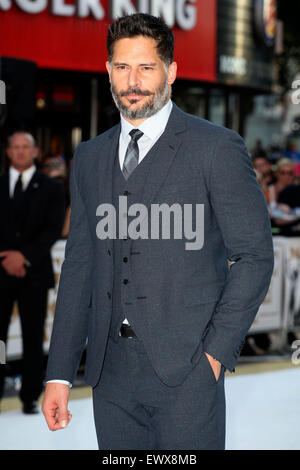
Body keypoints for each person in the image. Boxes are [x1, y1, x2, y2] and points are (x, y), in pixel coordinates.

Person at [42, 14, 274, 450]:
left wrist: (215, 355)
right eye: (122, 67)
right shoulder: (90, 157)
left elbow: (254, 256)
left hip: (188, 371)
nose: (133, 81)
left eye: (146, 67)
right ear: (108, 70)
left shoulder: (216, 148)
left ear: (171, 71)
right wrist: (59, 371)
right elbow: (79, 268)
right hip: (110, 376)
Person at [0, 131, 66, 414]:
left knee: (32, 335)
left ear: (36, 152)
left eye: (25, 147)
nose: (20, 152)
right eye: (15, 147)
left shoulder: (52, 188)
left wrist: (23, 256)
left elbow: (52, 229)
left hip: (34, 274)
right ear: (8, 152)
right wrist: (6, 258)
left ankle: (30, 396)